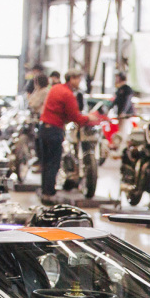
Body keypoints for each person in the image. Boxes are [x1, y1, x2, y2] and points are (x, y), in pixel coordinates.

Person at [38, 68, 100, 203]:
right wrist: (89, 118)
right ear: (71, 79)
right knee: (53, 163)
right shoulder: (67, 94)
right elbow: (75, 117)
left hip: (43, 128)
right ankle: (49, 193)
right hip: (54, 129)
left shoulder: (55, 88)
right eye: (78, 79)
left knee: (46, 163)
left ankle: (45, 192)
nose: (79, 82)